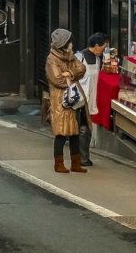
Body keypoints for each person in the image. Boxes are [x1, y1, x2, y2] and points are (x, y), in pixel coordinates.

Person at [45, 28, 88, 173]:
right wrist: (72, 77)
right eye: (69, 41)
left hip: (73, 98)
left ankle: (76, 163)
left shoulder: (70, 56)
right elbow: (57, 79)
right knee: (61, 132)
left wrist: (69, 73)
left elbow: (82, 68)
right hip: (60, 100)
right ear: (63, 43)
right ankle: (59, 163)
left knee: (74, 132)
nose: (71, 44)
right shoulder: (52, 59)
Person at [74, 32, 108, 166]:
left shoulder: (98, 59)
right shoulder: (79, 57)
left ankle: (83, 156)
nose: (104, 49)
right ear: (96, 46)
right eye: (103, 47)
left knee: (87, 129)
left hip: (91, 100)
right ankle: (82, 158)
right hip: (79, 100)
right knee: (82, 129)